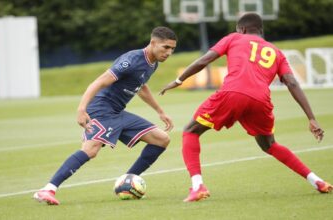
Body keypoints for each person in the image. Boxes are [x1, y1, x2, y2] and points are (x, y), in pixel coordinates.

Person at [160, 12, 332, 202]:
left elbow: (204, 60)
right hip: (261, 100)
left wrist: (179, 80)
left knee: (190, 131)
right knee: (270, 145)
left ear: (241, 29)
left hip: (232, 93)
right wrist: (311, 118)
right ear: (260, 30)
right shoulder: (276, 52)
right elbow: (291, 82)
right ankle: (318, 181)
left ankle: (198, 186)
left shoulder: (234, 38)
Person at [34, 26, 177, 205]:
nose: (169, 52)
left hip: (117, 112)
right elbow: (99, 82)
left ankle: (127, 181)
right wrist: (81, 109)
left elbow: (141, 86)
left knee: (161, 139)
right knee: (91, 150)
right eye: (166, 47)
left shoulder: (153, 63)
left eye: (172, 49)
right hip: (101, 110)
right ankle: (47, 190)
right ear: (153, 43)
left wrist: (160, 112)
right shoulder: (131, 60)